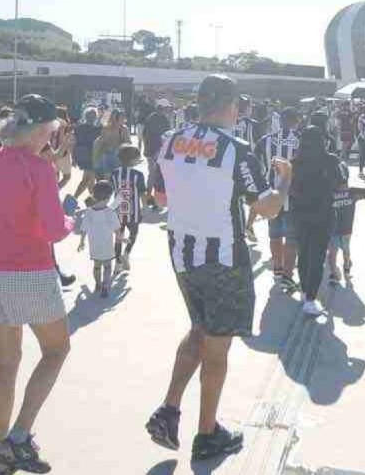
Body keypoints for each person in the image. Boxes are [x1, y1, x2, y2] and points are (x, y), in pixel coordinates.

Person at [145, 75, 291, 462]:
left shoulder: (171, 141)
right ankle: (207, 433)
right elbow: (267, 206)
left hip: (182, 253)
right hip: (223, 259)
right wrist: (285, 180)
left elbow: (158, 194)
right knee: (218, 346)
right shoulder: (236, 149)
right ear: (229, 106)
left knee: (199, 328)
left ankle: (169, 409)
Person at [0, 94, 73, 474]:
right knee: (57, 350)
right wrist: (70, 220)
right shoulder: (39, 169)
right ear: (42, 130)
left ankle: (0, 448)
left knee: (6, 362)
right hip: (29, 271)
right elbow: (54, 230)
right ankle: (20, 435)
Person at [289, 126, 345, 316]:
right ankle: (311, 298)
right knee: (318, 256)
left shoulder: (294, 162)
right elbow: (341, 184)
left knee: (303, 254)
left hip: (299, 215)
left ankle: (305, 292)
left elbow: (288, 188)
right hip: (324, 214)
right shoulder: (331, 160)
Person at [256, 109, 302, 291]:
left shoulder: (265, 140)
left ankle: (277, 269)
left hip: (270, 194)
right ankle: (287, 275)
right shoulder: (300, 140)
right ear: (296, 121)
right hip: (293, 195)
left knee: (274, 235)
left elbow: (256, 165)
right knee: (291, 237)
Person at [77, 180, 122, 298]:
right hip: (107, 246)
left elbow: (83, 229)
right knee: (107, 266)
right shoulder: (110, 212)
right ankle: (105, 286)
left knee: (97, 266)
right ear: (108, 197)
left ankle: (97, 284)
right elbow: (117, 230)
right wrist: (122, 239)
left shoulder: (89, 212)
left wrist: (81, 242)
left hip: (94, 245)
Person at [110, 144, 147, 270]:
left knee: (118, 236)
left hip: (118, 211)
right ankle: (127, 253)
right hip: (134, 211)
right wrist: (145, 207)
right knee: (133, 233)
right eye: (137, 158)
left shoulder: (114, 173)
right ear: (132, 160)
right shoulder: (138, 175)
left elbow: (112, 190)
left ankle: (118, 263)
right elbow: (142, 193)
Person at [143, 100, 174, 208]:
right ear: (163, 109)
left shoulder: (150, 117)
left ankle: (148, 196)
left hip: (150, 150)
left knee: (152, 174)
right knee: (158, 175)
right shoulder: (163, 119)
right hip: (158, 150)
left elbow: (144, 134)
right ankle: (155, 199)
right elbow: (167, 136)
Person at [71, 108, 102, 200]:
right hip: (89, 156)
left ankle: (93, 200)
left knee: (90, 179)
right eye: (91, 115)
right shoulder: (97, 129)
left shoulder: (79, 128)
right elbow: (74, 143)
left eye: (93, 115)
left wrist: (74, 157)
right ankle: (73, 199)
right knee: (87, 179)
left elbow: (74, 143)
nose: (92, 117)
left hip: (84, 155)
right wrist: (73, 157)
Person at [93, 109, 131, 177]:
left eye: (123, 118)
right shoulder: (106, 128)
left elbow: (128, 143)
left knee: (116, 177)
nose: (123, 120)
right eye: (121, 118)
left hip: (119, 157)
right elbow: (100, 143)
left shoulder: (124, 129)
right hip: (107, 155)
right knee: (108, 176)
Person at [50, 107, 74, 189]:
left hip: (50, 152)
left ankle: (53, 191)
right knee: (67, 176)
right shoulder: (65, 124)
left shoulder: (50, 123)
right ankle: (55, 191)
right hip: (63, 153)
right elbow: (63, 140)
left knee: (55, 175)